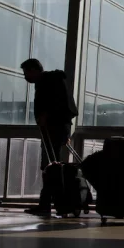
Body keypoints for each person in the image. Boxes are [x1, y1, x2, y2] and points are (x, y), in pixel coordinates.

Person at [21, 59, 78, 216]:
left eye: (26, 73)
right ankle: (53, 204)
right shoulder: (52, 81)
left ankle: (47, 204)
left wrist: (46, 116)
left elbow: (56, 106)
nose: (25, 77)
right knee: (51, 168)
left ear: (34, 70)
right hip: (57, 129)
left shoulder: (48, 82)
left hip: (53, 130)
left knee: (50, 168)